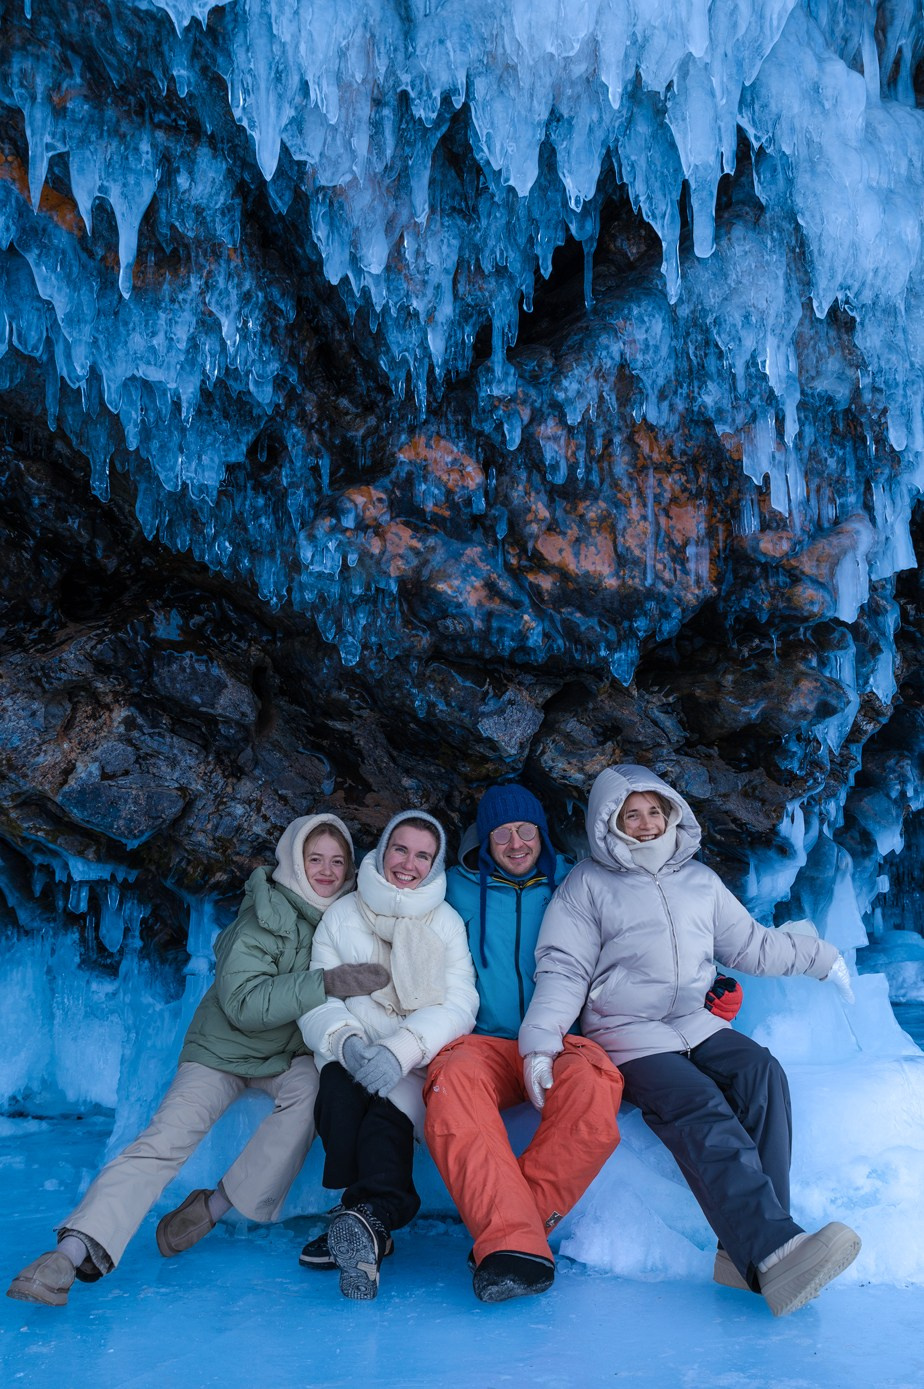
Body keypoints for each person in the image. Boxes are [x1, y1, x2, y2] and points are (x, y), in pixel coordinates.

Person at [518, 764, 861, 1318]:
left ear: (671, 813)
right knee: (699, 1103)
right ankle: (774, 1248)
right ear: (610, 822)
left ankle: (748, 1254)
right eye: (632, 814)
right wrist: (540, 1043)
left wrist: (823, 958)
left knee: (762, 1074)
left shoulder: (699, 880)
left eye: (654, 811)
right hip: (628, 1035)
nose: (646, 823)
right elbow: (563, 968)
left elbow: (750, 945)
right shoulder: (586, 885)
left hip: (695, 1022)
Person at [8, 813, 388, 1308]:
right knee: (164, 1141)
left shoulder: (346, 920)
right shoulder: (262, 915)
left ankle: (213, 1206)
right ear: (295, 861)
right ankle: (70, 1251)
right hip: (221, 1051)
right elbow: (244, 1004)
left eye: (337, 862)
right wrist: (327, 983)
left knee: (311, 1098)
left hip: (286, 1055)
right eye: (315, 859)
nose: (326, 871)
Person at [422, 783, 625, 1304]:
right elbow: (395, 912)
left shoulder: (576, 884)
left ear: (542, 832)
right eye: (502, 833)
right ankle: (517, 1239)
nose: (516, 843)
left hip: (560, 1040)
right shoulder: (453, 888)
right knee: (452, 1082)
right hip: (484, 1044)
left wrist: (708, 982)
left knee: (595, 1085)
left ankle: (513, 1240)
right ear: (484, 840)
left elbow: (637, 934)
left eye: (525, 830)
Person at [298, 810, 479, 1300]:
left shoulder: (444, 922)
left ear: (434, 864)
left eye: (423, 856)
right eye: (400, 849)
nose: (408, 864)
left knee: (386, 1120)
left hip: (413, 1058)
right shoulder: (343, 914)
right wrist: (346, 1041)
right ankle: (360, 1218)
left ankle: (370, 1219)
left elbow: (459, 1003)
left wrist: (402, 1050)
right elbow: (318, 993)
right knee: (338, 1098)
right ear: (382, 851)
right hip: (351, 1050)